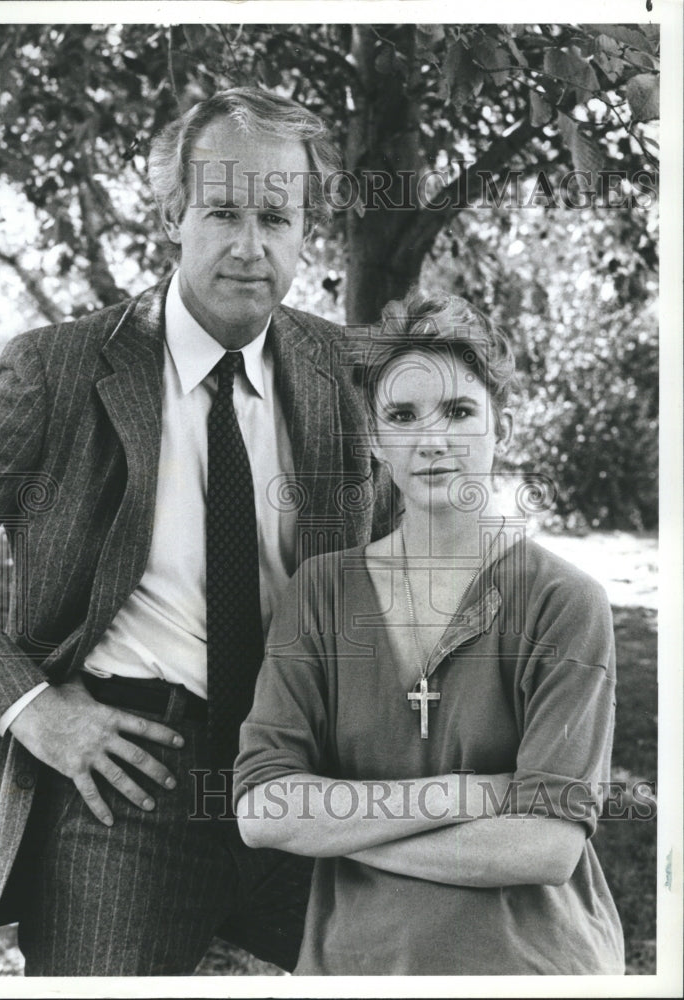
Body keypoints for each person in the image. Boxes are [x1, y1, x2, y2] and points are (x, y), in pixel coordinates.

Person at [0, 87, 391, 976]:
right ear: (170, 219)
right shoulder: (58, 369)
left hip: (311, 773)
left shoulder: (348, 373)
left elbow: (417, 563)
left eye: (276, 217)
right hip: (130, 778)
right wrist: (33, 711)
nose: (249, 245)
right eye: (221, 211)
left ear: (307, 233)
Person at [234, 288, 625, 975]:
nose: (432, 439)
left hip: (529, 966)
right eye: (402, 416)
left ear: (502, 427)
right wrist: (467, 793)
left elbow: (545, 847)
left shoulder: (564, 603)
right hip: (356, 967)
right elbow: (263, 810)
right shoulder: (321, 593)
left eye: (459, 411)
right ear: (374, 439)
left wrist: (334, 830)